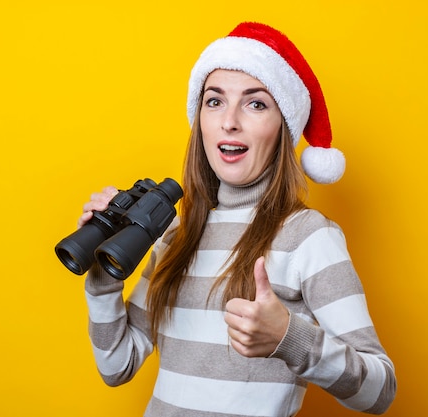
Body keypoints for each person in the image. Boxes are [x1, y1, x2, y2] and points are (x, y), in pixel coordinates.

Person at [78, 22, 396, 416]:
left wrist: (289, 339)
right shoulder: (176, 234)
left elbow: (380, 391)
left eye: (256, 103)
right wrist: (103, 277)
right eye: (214, 101)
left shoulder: (309, 236)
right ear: (201, 123)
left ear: (284, 127)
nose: (229, 120)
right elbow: (117, 366)